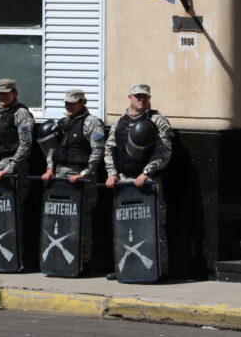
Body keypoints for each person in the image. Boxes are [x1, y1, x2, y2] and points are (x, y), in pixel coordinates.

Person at [104, 83, 173, 279]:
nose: (141, 99)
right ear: (130, 97)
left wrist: (146, 172)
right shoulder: (120, 122)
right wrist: (111, 173)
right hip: (124, 182)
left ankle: (159, 270)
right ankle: (123, 268)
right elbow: (110, 148)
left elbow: (164, 152)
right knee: (124, 227)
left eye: (144, 96)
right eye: (137, 96)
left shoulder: (157, 121)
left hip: (148, 182)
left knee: (154, 228)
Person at [41, 88, 105, 270]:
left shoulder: (92, 123)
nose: (68, 106)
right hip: (60, 176)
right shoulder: (63, 123)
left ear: (82, 103)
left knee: (82, 220)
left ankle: (82, 262)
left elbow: (97, 151)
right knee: (60, 219)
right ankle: (60, 259)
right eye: (66, 102)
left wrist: (84, 174)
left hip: (81, 178)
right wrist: (49, 169)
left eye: (73, 102)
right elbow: (52, 150)